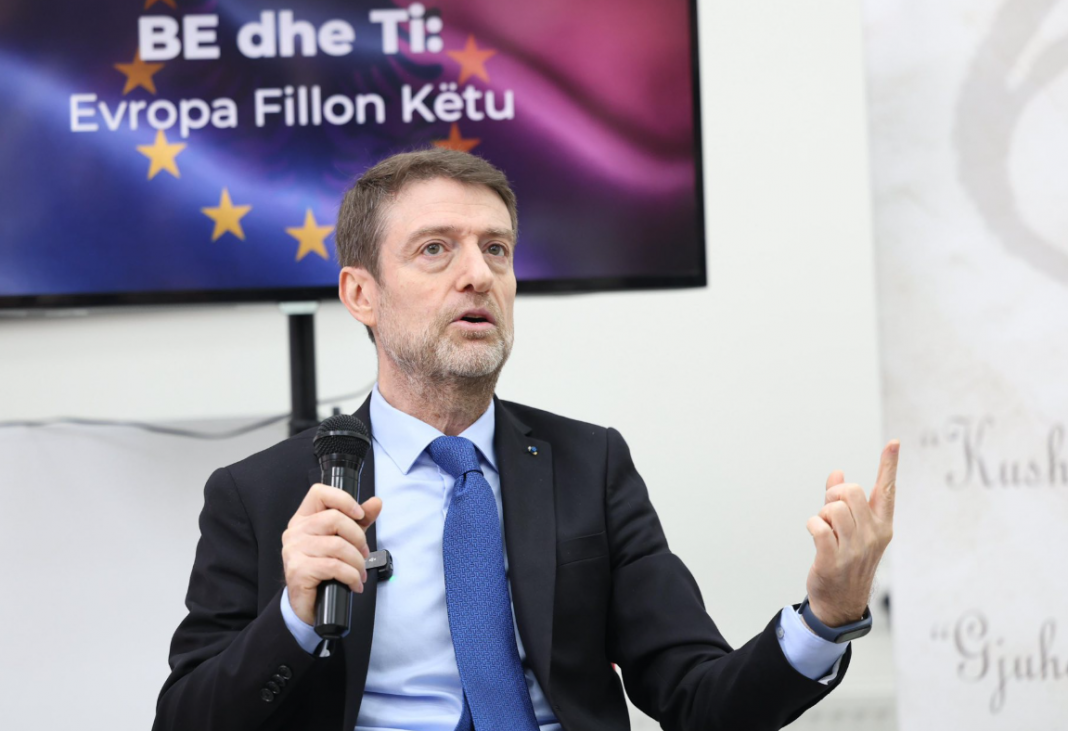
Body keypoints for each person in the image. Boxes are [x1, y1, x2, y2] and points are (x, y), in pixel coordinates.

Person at [153, 149, 898, 731]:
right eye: (435, 249)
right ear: (361, 294)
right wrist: (292, 618)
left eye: (497, 250)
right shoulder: (260, 493)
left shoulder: (590, 466)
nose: (478, 275)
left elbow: (701, 699)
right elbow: (185, 719)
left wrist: (825, 618)